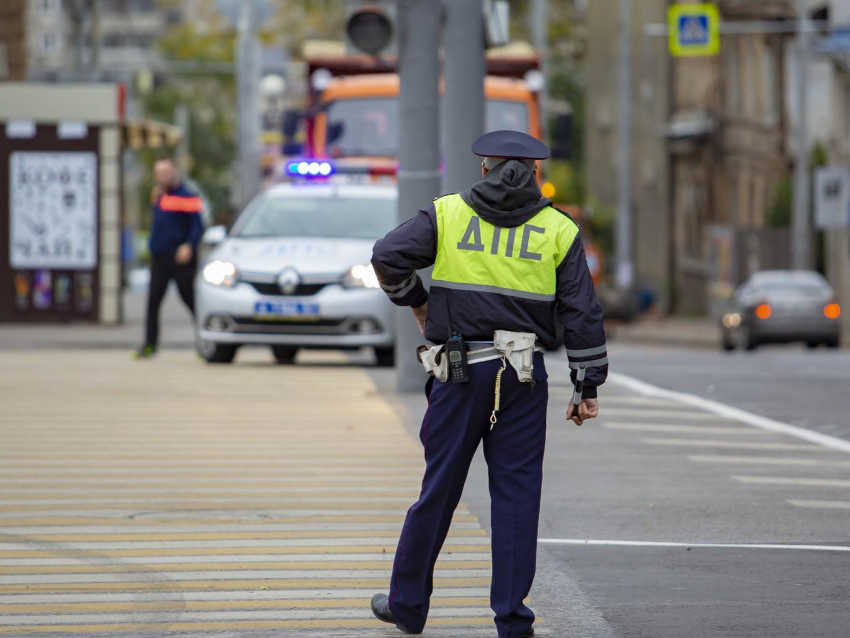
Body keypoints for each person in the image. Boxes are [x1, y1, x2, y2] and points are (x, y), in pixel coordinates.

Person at [368, 130, 608, 638]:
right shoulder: (558, 230)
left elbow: (387, 256)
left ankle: (407, 606)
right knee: (517, 497)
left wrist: (419, 302)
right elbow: (582, 312)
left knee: (439, 490)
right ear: (537, 176)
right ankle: (512, 621)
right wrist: (586, 387)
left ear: (485, 169)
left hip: (460, 371)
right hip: (522, 377)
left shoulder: (448, 213)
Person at [132, 156, 204, 359]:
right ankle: (150, 345)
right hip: (160, 260)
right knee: (153, 302)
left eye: (166, 172)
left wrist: (189, 245)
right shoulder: (159, 196)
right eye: (159, 173)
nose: (162, 176)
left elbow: (197, 226)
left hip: (180, 260)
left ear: (174, 172)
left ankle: (205, 342)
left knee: (192, 302)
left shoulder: (188, 196)